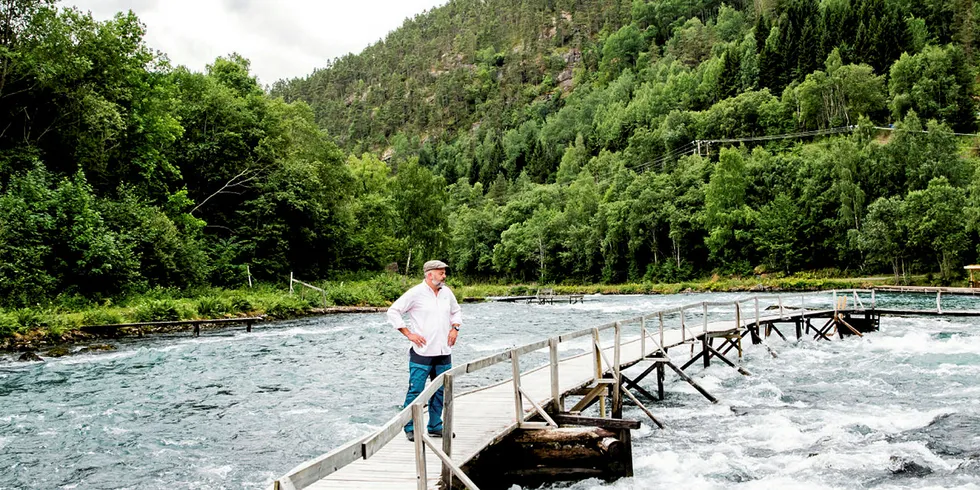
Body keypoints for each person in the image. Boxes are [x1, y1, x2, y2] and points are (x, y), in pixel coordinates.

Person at [386, 259, 462, 442]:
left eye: (444, 272)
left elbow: (456, 311)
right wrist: (408, 333)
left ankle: (435, 426)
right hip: (422, 352)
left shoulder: (447, 292)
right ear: (430, 274)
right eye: (441, 273)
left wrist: (455, 328)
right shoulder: (415, 293)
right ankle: (410, 427)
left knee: (441, 390)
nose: (444, 276)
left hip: (444, 350)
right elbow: (393, 311)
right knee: (416, 391)